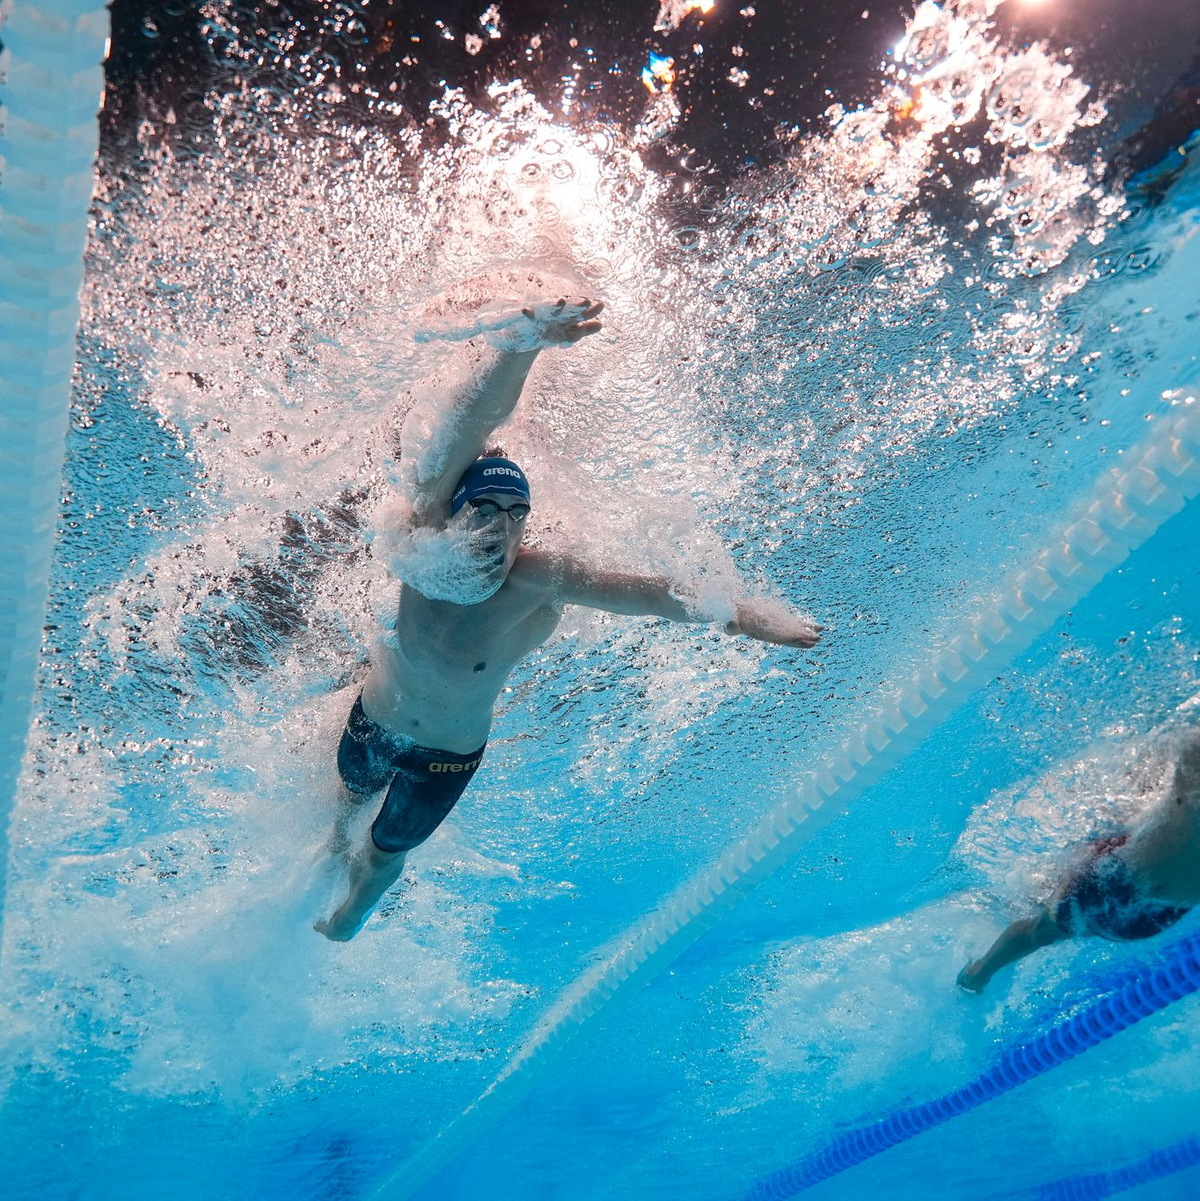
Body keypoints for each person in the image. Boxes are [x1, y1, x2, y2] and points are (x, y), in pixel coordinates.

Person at [315, 277, 823, 941]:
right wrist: (522, 345)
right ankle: (329, 852)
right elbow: (469, 422)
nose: (501, 531)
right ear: (454, 511)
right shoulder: (424, 536)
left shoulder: (536, 579)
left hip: (445, 755)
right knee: (344, 809)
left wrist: (750, 616)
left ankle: (349, 917)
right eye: (487, 511)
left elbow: (648, 594)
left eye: (517, 517)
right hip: (374, 721)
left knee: (382, 855)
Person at [957, 729, 1200, 992]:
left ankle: (980, 970)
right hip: (1127, 880)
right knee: (1040, 928)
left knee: (1041, 931)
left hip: (1131, 904)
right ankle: (980, 971)